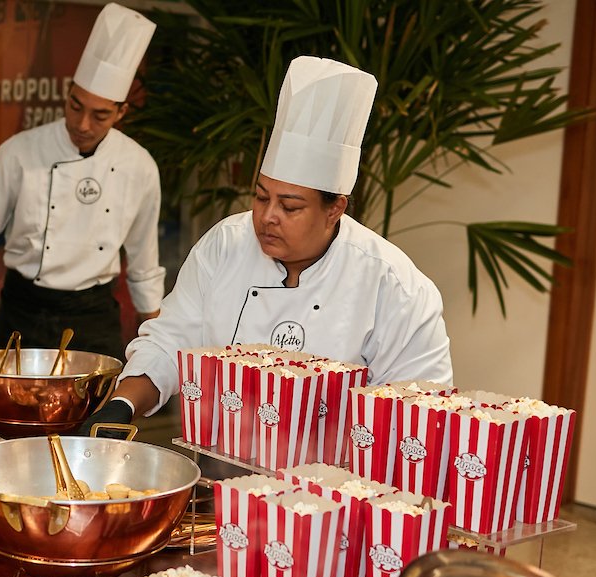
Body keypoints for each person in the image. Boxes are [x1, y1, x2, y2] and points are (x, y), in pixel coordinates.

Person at [95, 56, 453, 427]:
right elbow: (170, 340)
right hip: (217, 471)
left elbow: (417, 408)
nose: (267, 216)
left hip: (335, 480)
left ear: (335, 209)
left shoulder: (394, 286)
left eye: (290, 206)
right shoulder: (225, 245)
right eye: (261, 197)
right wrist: (122, 405)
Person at [0, 3, 162, 358]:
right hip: (23, 314)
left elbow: (144, 267)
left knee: (98, 416)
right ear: (67, 92)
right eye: (76, 106)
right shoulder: (19, 153)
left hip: (93, 317)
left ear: (121, 112)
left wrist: (156, 347)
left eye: (100, 115)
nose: (83, 124)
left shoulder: (139, 167)